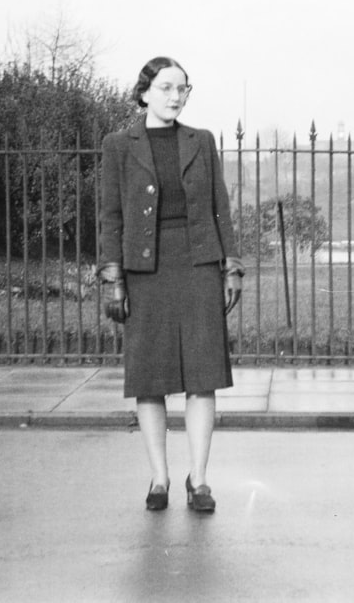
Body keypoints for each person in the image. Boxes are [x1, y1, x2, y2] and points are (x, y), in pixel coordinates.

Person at [98, 56, 243, 513]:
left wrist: (230, 266)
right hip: (146, 270)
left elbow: (221, 207)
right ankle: (159, 477)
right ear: (144, 93)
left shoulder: (202, 141)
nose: (175, 96)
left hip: (199, 265)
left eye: (182, 88)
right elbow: (110, 216)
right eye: (165, 88)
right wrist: (113, 277)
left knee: (203, 379)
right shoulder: (119, 145)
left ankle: (198, 480)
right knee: (150, 379)